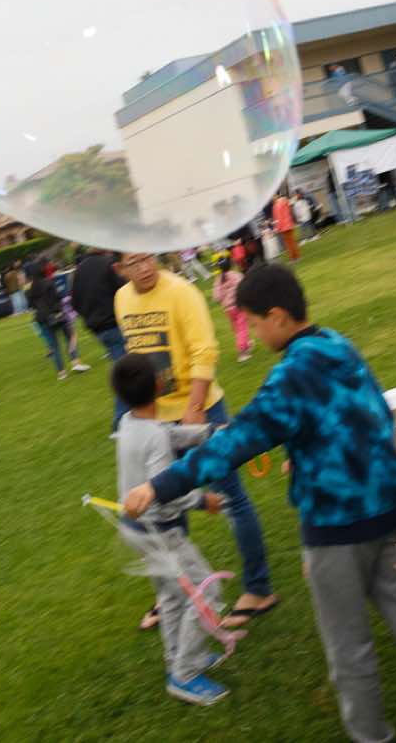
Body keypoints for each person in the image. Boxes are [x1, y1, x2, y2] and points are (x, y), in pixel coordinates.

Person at [124, 265, 396, 743]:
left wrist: (159, 486)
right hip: (387, 511)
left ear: (278, 317)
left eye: (253, 323)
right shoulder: (338, 344)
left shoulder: (291, 375)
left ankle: (371, 736)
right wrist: (310, 455)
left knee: (349, 649)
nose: (252, 333)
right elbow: (372, 417)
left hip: (337, 529)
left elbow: (236, 441)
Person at [113, 250, 276, 624]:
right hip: (154, 420)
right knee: (163, 508)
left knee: (231, 498)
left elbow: (205, 350)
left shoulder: (181, 292)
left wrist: (195, 406)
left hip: (199, 411)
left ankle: (258, 589)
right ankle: (174, 592)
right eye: (134, 262)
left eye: (148, 257)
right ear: (121, 269)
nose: (144, 267)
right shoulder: (122, 299)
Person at [109, 355, 233, 706]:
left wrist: (209, 432)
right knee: (207, 592)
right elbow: (163, 493)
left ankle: (177, 658)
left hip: (137, 530)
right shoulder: (154, 437)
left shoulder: (129, 422)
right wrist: (202, 500)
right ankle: (186, 673)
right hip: (162, 532)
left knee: (172, 595)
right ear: (159, 385)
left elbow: (167, 433)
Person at [69, 248, 127, 364]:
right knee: (128, 361)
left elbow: (74, 302)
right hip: (114, 321)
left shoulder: (78, 271)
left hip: (96, 327)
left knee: (118, 357)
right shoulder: (108, 264)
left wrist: (88, 315)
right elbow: (123, 290)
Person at [26, 261, 72, 379]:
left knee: (54, 346)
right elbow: (57, 298)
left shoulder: (31, 289)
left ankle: (61, 372)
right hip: (54, 314)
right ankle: (75, 361)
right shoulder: (49, 283)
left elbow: (31, 305)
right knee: (69, 336)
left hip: (41, 318)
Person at [214, 259, 250, 363]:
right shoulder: (236, 275)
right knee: (242, 328)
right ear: (230, 265)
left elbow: (217, 297)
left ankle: (246, 345)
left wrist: (224, 299)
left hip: (228, 309)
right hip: (238, 306)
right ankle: (242, 352)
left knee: (237, 329)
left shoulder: (218, 280)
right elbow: (244, 287)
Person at [271, 190, 300, 261]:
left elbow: (278, 218)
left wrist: (277, 228)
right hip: (289, 224)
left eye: (273, 196)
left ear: (276, 195)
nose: (272, 197)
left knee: (288, 243)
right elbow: (290, 211)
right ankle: (296, 256)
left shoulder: (276, 205)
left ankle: (293, 257)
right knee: (292, 241)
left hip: (283, 226)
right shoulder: (285, 201)